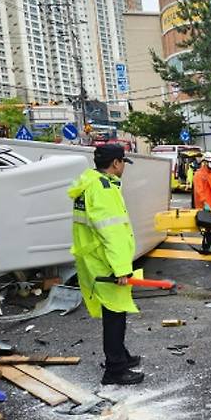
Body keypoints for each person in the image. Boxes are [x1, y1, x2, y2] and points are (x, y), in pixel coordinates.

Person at [68, 144, 143, 385]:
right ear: (115, 164)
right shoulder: (102, 189)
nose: (123, 168)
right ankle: (115, 369)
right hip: (105, 262)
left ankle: (121, 355)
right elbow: (112, 232)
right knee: (115, 315)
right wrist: (121, 268)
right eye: (122, 163)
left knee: (115, 311)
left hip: (93, 257)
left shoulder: (88, 184)